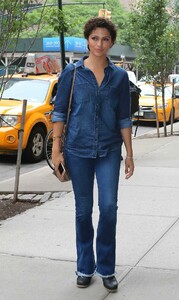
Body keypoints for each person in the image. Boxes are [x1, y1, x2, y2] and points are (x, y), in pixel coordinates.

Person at [52, 17, 134, 292]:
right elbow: (60, 112)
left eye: (105, 39)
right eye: (95, 38)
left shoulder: (120, 77)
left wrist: (130, 154)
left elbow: (124, 117)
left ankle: (107, 268)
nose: (100, 43)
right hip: (77, 150)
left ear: (111, 42)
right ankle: (85, 267)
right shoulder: (72, 73)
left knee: (109, 208)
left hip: (110, 150)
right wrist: (57, 151)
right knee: (83, 211)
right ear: (88, 40)